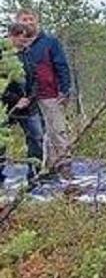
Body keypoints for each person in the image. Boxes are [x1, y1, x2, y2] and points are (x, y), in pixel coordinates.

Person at [14, 9, 72, 179]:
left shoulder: (49, 42)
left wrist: (65, 88)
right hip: (23, 98)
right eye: (24, 19)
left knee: (57, 131)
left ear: (37, 21)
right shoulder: (14, 43)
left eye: (31, 19)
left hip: (49, 94)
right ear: (17, 21)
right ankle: (38, 170)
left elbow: (61, 65)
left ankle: (63, 169)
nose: (28, 23)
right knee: (36, 135)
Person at [3, 23, 44, 182]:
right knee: (2, 143)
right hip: (6, 106)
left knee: (36, 137)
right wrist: (14, 99)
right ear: (12, 36)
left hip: (29, 106)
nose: (24, 40)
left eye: (27, 37)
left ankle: (34, 176)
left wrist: (30, 98)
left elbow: (35, 79)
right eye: (22, 37)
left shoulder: (28, 54)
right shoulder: (3, 55)